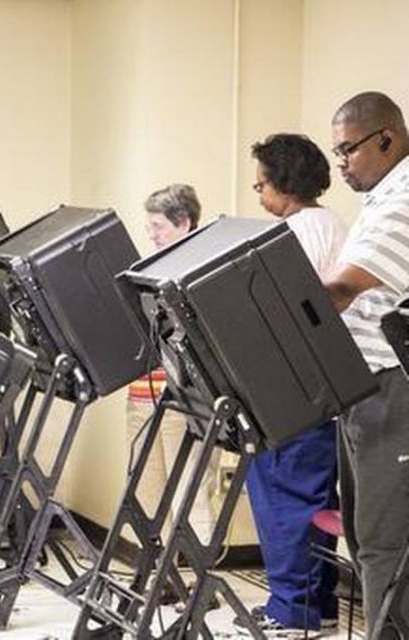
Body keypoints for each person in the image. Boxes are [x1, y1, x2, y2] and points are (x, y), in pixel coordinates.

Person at [238, 134, 346, 636]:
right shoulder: (333, 224)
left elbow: (278, 317)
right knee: (316, 502)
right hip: (328, 392)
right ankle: (318, 604)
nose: (260, 194)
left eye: (261, 184)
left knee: (284, 500)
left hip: (294, 393)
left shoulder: (293, 235)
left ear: (283, 182)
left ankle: (291, 612)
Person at [323, 91, 409, 632]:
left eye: (347, 150)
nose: (341, 164)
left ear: (386, 139)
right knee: (365, 539)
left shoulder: (404, 199)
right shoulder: (381, 198)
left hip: (395, 389)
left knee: (385, 545)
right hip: (364, 387)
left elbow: (340, 290)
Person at [126, 184, 221, 572]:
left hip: (186, 398)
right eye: (148, 226)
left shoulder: (202, 266)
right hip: (144, 394)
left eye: (158, 226)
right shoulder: (151, 268)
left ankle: (199, 579)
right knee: (149, 490)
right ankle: (164, 574)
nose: (151, 234)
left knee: (189, 490)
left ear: (184, 223)